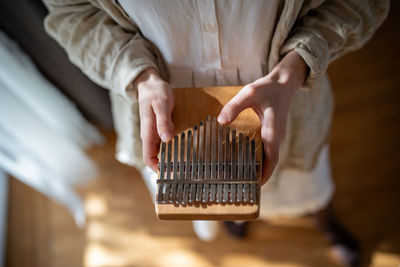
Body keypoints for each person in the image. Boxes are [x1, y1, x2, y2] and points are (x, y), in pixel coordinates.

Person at [42, 1, 389, 266]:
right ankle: (233, 216)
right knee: (215, 196)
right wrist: (139, 75)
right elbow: (71, 12)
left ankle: (322, 217)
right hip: (168, 113)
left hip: (286, 95)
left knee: (305, 178)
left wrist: (295, 67)